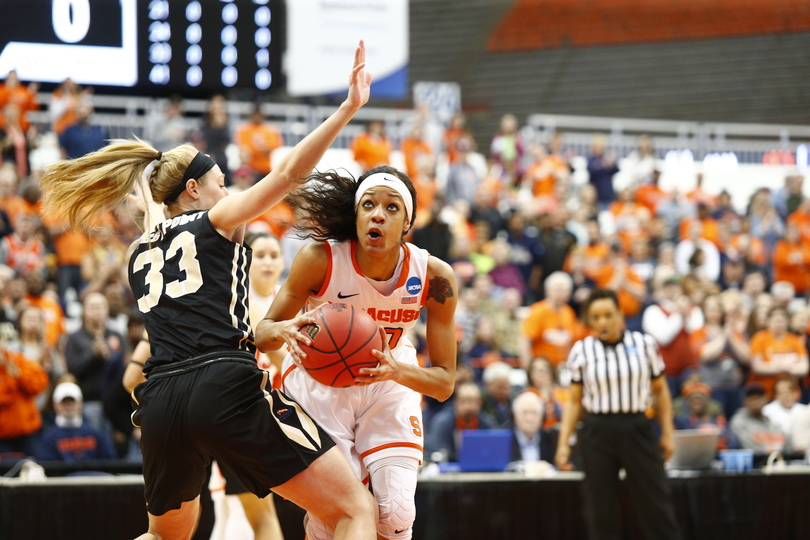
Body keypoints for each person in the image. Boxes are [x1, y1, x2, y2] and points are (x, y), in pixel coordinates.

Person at [40, 41, 377, 540]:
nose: (229, 191)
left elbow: (162, 217)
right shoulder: (216, 220)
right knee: (355, 511)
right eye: (221, 182)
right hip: (221, 384)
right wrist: (349, 107)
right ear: (194, 191)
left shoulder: (139, 251)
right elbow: (287, 174)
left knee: (162, 536)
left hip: (161, 402)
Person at [255, 162, 458, 540]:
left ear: (407, 223)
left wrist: (396, 371)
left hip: (390, 378)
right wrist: (284, 330)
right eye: (368, 205)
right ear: (356, 213)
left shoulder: (435, 276)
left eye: (391, 207)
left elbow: (444, 384)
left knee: (396, 515)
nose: (377, 214)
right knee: (334, 515)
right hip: (322, 384)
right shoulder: (320, 258)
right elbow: (262, 334)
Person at [555, 288, 680, 540]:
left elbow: (660, 391)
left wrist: (667, 432)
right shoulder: (582, 350)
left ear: (621, 314)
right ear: (589, 320)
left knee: (656, 501)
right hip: (597, 431)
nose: (603, 321)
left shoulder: (644, 344)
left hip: (637, 426)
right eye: (596, 316)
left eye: (608, 314)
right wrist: (563, 444)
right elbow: (574, 402)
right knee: (601, 508)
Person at [34, 381, 117, 462]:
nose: (68, 407)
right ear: (56, 405)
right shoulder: (49, 438)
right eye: (64, 403)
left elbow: (110, 460)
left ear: (80, 404)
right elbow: (47, 464)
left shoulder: (96, 434)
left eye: (72, 402)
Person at [425, 381, 497, 463]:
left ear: (480, 403)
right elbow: (436, 449)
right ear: (456, 402)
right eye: (464, 401)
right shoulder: (442, 423)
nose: (469, 406)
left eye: (474, 401)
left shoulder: (488, 423)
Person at [0, 345, 49, 457]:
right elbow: (3, 398)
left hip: (28, 433)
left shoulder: (18, 360)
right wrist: (11, 379)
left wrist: (19, 375)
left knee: (37, 468)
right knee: (5, 472)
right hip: (2, 437)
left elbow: (39, 385)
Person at [510, 391, 557, 465]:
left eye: (534, 413)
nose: (530, 418)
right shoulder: (505, 439)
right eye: (524, 413)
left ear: (542, 416)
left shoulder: (550, 438)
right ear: (515, 416)